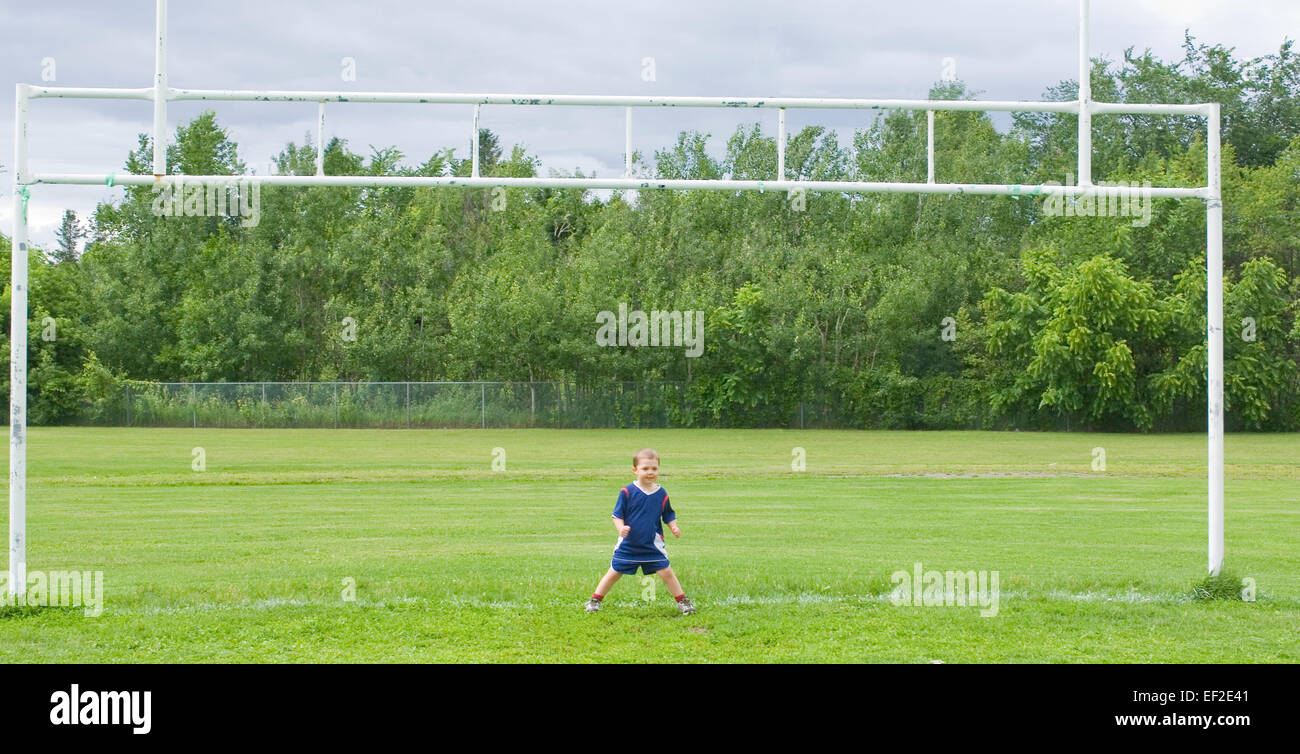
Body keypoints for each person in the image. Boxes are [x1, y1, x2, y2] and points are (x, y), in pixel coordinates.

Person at [585, 448, 695, 614]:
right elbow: (617, 515)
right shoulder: (627, 492)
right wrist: (621, 528)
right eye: (645, 469)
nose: (650, 472)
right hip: (629, 544)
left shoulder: (661, 493)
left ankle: (683, 601)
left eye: (654, 468)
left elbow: (668, 513)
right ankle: (595, 600)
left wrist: (673, 526)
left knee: (666, 572)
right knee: (614, 572)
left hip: (652, 544)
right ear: (635, 470)